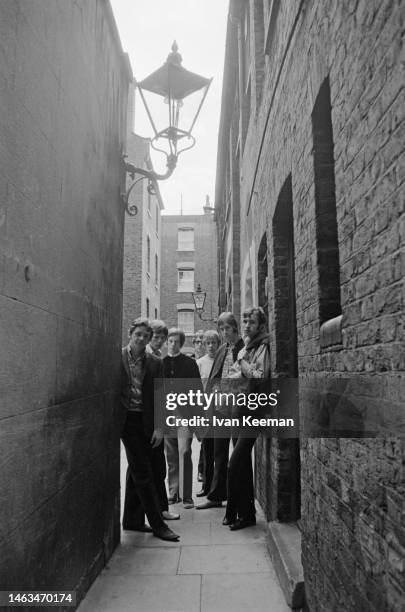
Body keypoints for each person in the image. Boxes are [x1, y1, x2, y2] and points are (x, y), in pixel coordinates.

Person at [120, 317, 179, 542]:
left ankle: (132, 520)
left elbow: (162, 396)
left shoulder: (155, 362)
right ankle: (158, 524)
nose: (142, 339)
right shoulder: (117, 358)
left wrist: (160, 427)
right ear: (130, 334)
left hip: (145, 420)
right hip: (126, 421)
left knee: (135, 469)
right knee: (143, 472)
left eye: (146, 336)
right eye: (138, 335)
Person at [226, 306, 271, 530]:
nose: (246, 325)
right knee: (242, 464)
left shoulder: (263, 345)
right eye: (245, 321)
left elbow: (260, 376)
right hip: (239, 407)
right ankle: (246, 515)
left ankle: (237, 511)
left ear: (261, 325)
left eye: (251, 322)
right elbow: (233, 374)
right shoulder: (247, 346)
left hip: (255, 412)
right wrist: (244, 370)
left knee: (234, 464)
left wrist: (244, 367)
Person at [196, 312, 244, 510]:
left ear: (235, 327)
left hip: (237, 409)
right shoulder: (223, 349)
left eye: (228, 328)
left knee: (238, 455)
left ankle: (238, 497)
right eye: (222, 329)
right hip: (220, 409)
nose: (225, 332)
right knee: (219, 453)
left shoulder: (243, 348)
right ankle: (216, 496)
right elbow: (215, 378)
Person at [163, 328, 202, 509]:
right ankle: (173, 493)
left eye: (176, 341)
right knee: (171, 455)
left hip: (185, 414)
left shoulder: (189, 364)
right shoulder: (159, 363)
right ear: (166, 342)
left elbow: (198, 391)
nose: (173, 344)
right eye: (170, 341)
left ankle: (186, 495)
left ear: (182, 343)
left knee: (184, 451)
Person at [195, 330, 221, 497]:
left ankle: (216, 486)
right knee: (206, 448)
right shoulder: (199, 363)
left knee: (219, 450)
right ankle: (206, 483)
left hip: (220, 410)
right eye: (208, 343)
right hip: (206, 410)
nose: (211, 346)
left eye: (214, 343)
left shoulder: (221, 361)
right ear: (204, 345)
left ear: (219, 344)